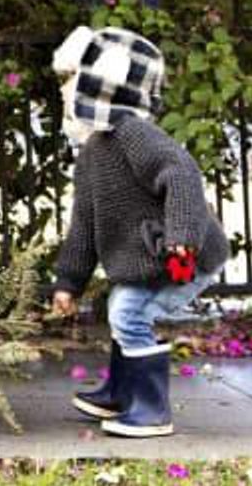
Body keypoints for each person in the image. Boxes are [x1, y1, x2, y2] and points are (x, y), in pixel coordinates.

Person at [48, 25, 229, 439]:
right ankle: (121, 393)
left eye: (69, 81)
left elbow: (180, 172)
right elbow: (84, 225)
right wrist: (68, 283)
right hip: (151, 259)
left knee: (128, 313)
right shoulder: (93, 151)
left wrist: (182, 235)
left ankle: (151, 411)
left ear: (98, 84)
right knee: (124, 309)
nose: (63, 91)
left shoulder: (132, 133)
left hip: (184, 255)